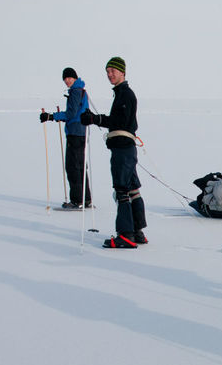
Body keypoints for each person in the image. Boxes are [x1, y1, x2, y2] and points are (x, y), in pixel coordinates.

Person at [80, 57, 147, 248]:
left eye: (113, 71)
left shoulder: (125, 94)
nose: (110, 74)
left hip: (123, 149)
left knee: (122, 189)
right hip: (126, 148)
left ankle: (126, 235)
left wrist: (94, 119)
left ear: (123, 72)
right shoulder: (121, 93)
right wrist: (96, 119)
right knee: (132, 188)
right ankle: (137, 231)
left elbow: (119, 121)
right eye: (107, 71)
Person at [40, 67, 91, 209]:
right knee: (80, 166)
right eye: (65, 79)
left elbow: (71, 114)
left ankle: (77, 201)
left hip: (75, 132)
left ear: (75, 78)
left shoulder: (75, 91)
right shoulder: (81, 91)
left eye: (69, 78)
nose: (67, 81)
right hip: (82, 132)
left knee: (73, 166)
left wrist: (52, 116)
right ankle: (85, 199)